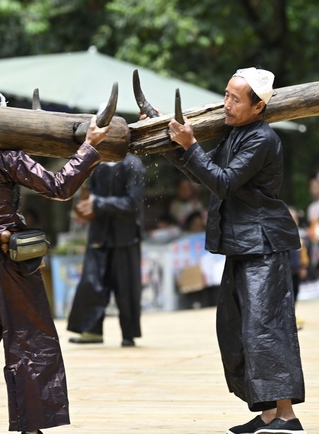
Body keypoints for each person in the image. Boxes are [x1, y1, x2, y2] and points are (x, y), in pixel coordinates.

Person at [0, 85, 110, 434]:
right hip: (5, 260)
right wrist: (90, 147)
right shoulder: (5, 155)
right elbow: (59, 186)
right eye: (5, 109)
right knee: (29, 338)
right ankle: (31, 428)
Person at [161, 67, 306, 434]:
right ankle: (269, 413)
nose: (225, 103)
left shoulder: (261, 139)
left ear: (258, 107)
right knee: (236, 328)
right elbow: (205, 172)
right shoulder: (236, 134)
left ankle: (287, 417)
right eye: (225, 94)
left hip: (263, 244)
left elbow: (222, 182)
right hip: (244, 245)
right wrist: (176, 146)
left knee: (266, 328)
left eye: (234, 99)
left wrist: (191, 146)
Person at [66, 153, 145, 347]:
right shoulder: (97, 163)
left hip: (125, 237)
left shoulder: (132, 164)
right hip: (98, 234)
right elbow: (90, 194)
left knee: (126, 288)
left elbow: (133, 202)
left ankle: (128, 334)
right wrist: (86, 207)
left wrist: (98, 204)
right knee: (91, 283)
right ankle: (92, 331)